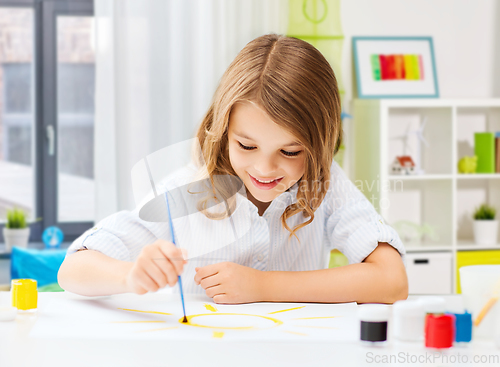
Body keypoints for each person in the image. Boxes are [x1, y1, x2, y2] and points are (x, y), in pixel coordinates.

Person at [58, 34, 408, 304]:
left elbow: (392, 281)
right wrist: (130, 275)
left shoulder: (323, 183)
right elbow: (72, 270)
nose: (265, 168)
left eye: (289, 151)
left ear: (318, 147)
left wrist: (262, 286)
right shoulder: (191, 189)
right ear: (223, 132)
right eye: (246, 145)